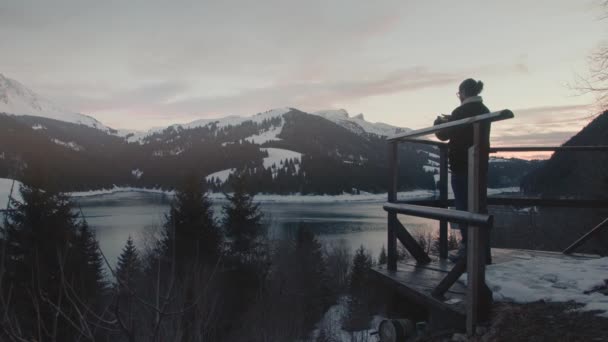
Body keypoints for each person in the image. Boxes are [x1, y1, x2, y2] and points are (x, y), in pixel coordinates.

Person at [434, 78, 489, 262]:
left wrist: (439, 123)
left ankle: (467, 252)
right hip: (479, 165)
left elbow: (443, 135)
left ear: (464, 92)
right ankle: (483, 252)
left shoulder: (461, 111)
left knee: (464, 208)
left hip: (461, 166)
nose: (459, 97)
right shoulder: (484, 110)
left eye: (459, 93)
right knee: (478, 208)